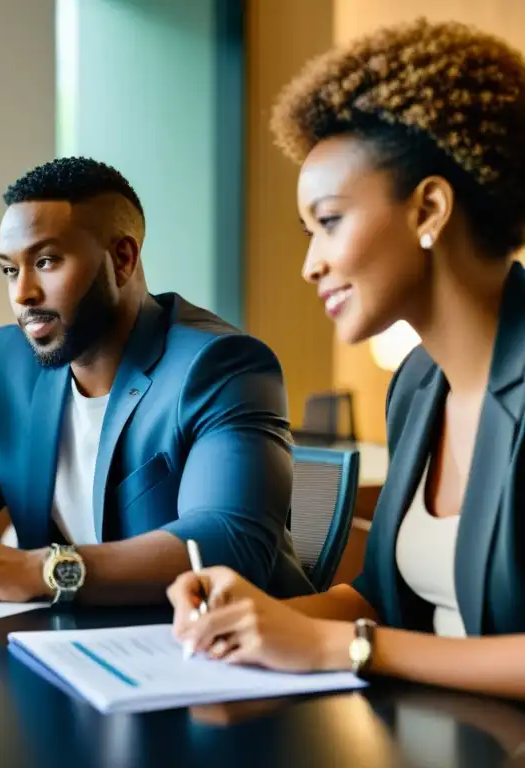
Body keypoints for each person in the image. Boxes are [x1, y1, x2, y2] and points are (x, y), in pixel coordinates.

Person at [168, 19, 525, 699]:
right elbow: (384, 597)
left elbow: (369, 636)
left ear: (429, 209)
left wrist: (346, 645)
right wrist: (257, 616)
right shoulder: (419, 384)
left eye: (329, 222)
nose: (311, 265)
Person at [0, 157, 311, 603]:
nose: (23, 293)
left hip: (234, 659)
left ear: (122, 258)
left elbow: (229, 541)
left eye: (47, 262)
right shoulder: (8, 362)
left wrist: (45, 569)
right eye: (10, 270)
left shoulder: (220, 365)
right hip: (74, 652)